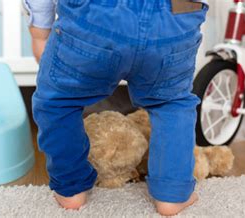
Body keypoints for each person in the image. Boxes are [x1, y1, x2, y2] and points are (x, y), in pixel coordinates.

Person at [24, 0, 208, 215]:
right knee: (171, 103)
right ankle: (173, 194)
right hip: (176, 17)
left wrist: (39, 33)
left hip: (95, 15)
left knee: (57, 101)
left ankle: (70, 188)